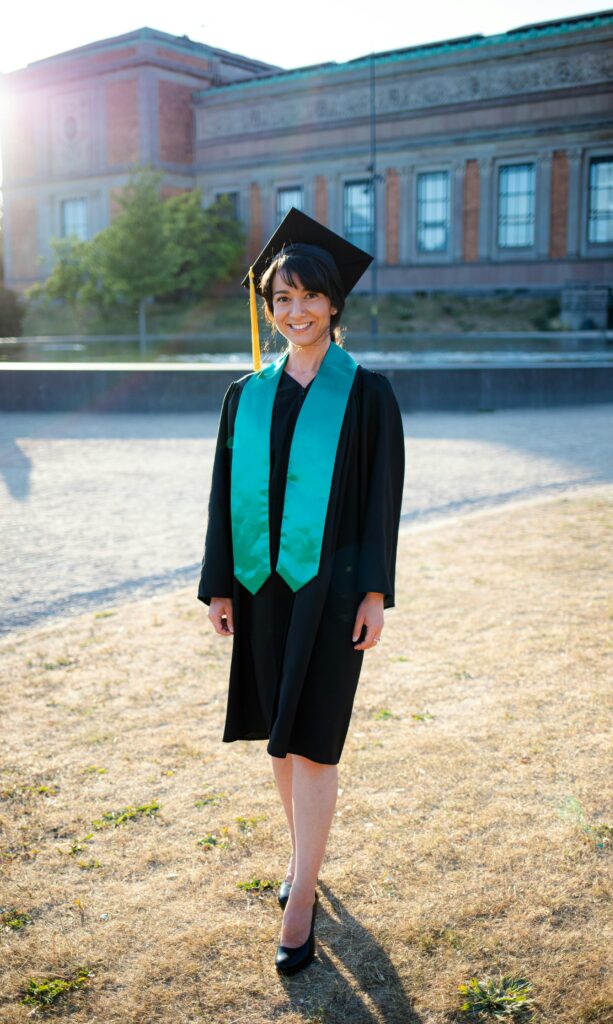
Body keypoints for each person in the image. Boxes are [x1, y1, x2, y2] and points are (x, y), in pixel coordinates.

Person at [197, 207, 405, 975]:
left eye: (309, 296)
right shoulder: (244, 396)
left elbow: (382, 499)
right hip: (260, 589)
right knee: (279, 737)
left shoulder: (368, 395)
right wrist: (220, 585)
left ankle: (302, 895)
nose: (295, 311)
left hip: (335, 591)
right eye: (281, 299)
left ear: (334, 303)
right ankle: (302, 858)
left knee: (314, 739)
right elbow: (223, 496)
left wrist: (375, 594)